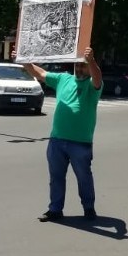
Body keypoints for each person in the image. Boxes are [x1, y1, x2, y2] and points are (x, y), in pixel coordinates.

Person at [19, 47, 103, 222]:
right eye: (77, 66)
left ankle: (89, 208)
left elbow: (97, 79)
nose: (79, 69)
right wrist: (24, 60)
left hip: (80, 142)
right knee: (56, 177)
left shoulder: (92, 86)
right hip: (57, 140)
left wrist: (92, 61)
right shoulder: (64, 79)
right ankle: (55, 209)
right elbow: (40, 73)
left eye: (83, 66)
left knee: (83, 177)